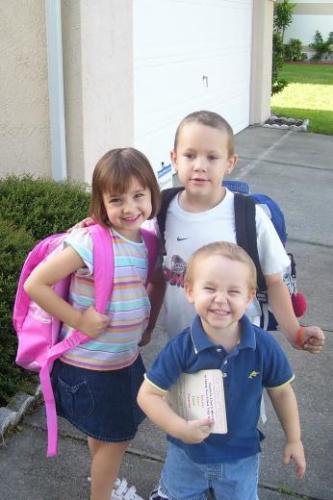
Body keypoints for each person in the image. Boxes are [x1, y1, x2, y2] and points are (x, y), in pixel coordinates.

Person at [24, 148, 164, 500]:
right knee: (119, 437)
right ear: (101, 203)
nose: (130, 208)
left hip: (123, 360)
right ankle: (102, 494)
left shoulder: (145, 240)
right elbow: (35, 284)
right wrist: (78, 319)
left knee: (105, 434)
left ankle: (104, 484)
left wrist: (144, 328)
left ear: (151, 193)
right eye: (116, 200)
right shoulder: (89, 241)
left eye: (138, 196)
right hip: (90, 367)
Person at [138, 242, 306, 500]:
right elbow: (147, 395)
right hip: (187, 455)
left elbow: (282, 392)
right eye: (210, 288)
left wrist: (294, 439)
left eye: (233, 291)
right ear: (190, 291)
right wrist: (179, 428)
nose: (220, 299)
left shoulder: (263, 346)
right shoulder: (181, 348)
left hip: (241, 457)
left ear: (249, 297)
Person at [156, 110, 324, 353]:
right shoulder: (162, 209)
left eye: (212, 157)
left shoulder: (248, 216)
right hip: (181, 349)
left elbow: (274, 281)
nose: (199, 166)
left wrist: (294, 332)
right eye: (189, 155)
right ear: (174, 159)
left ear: (230, 163)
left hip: (241, 352)